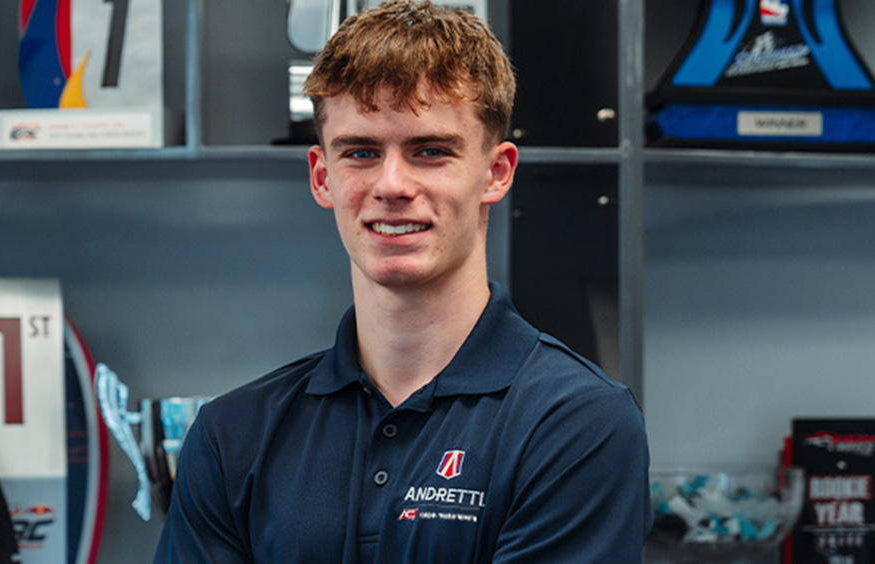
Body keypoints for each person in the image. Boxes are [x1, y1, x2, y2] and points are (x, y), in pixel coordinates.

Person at [153, 1, 652, 562]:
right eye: (361, 152)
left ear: (496, 172)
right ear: (322, 176)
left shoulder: (578, 424)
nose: (391, 185)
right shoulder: (232, 435)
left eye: (430, 151)